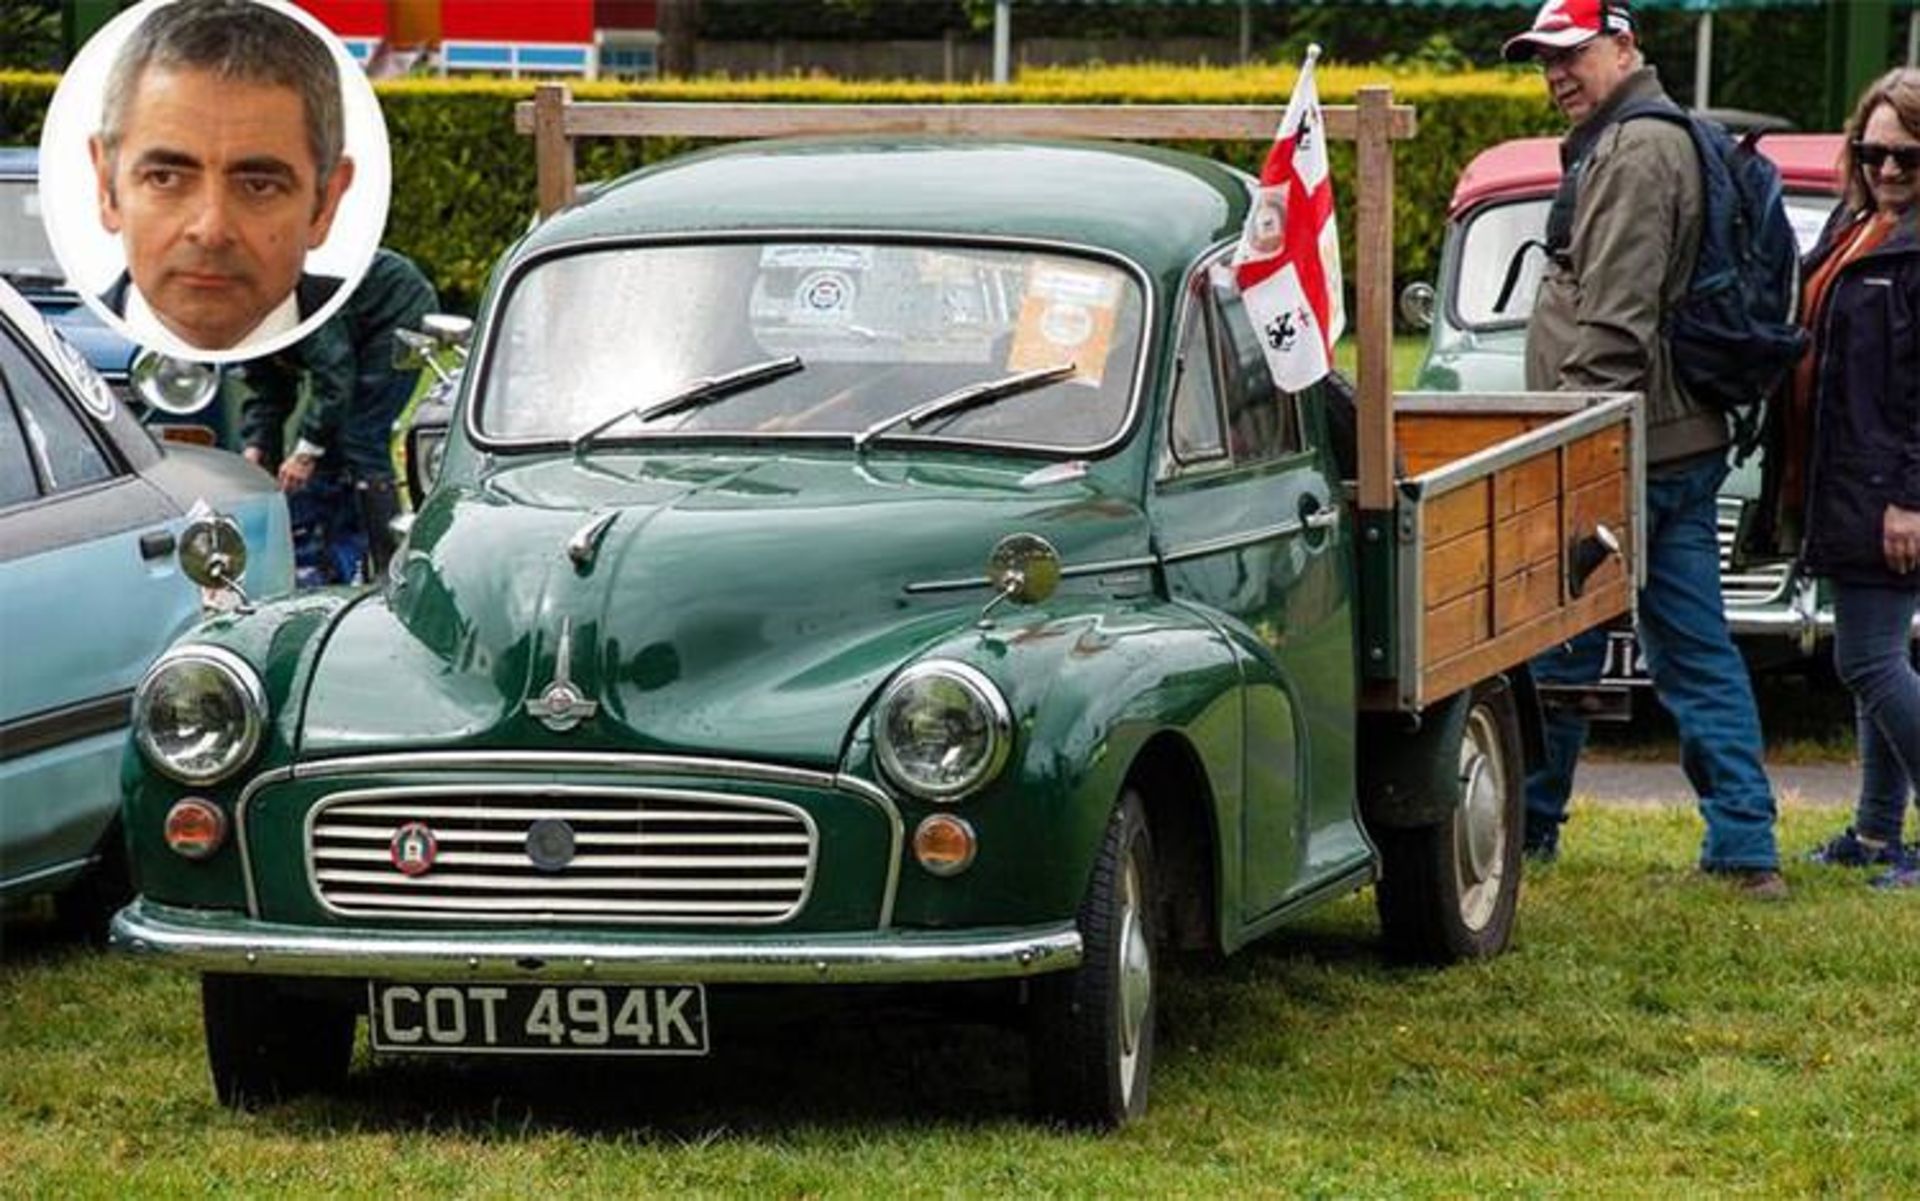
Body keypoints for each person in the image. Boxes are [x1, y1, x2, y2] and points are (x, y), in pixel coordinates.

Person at [1502, 0, 1785, 896]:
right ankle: (1742, 844)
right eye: (1543, 60)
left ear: (1624, 47)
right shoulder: (1640, 138)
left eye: (1573, 54)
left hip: (1630, 445)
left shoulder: (1635, 150)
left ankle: (1528, 832)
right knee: (1687, 644)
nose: (1556, 74)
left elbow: (1614, 326)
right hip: (1664, 436)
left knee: (1562, 650)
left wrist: (1575, 446)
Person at [1755, 70, 1920, 885]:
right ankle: (1878, 831)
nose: (1888, 169)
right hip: (1843, 478)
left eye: (1908, 157)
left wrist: (1910, 500)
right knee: (1874, 657)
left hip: (1889, 490)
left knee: (1868, 661)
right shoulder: (1856, 227)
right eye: (1873, 151)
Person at [88, 0, 355, 354]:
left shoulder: (379, 345)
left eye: (259, 186)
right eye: (165, 178)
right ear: (107, 186)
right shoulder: (46, 355)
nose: (211, 231)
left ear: (326, 203)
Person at [240, 248, 440, 578]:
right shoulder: (241, 326)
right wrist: (257, 447)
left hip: (395, 308)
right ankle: (331, 553)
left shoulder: (301, 302)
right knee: (330, 445)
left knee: (361, 437)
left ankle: (389, 565)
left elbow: (334, 379)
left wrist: (304, 454)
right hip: (352, 323)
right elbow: (268, 390)